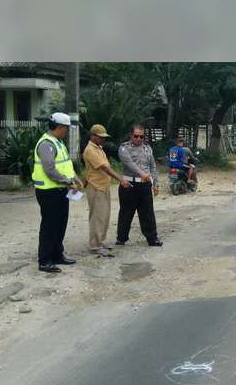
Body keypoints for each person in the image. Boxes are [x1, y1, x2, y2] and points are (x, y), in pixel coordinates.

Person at [31, 112, 84, 273]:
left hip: (61, 191)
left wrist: (76, 179)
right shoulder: (46, 144)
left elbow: (66, 166)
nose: (66, 131)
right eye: (65, 128)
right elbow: (50, 170)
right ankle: (45, 260)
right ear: (59, 127)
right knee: (49, 225)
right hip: (49, 192)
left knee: (60, 224)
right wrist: (68, 182)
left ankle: (57, 255)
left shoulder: (58, 143)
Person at [82, 124, 130, 257]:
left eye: (104, 137)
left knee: (104, 216)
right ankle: (95, 245)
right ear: (93, 136)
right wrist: (121, 179)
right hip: (96, 187)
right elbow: (105, 168)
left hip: (103, 186)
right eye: (100, 137)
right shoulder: (90, 150)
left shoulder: (98, 148)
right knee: (97, 217)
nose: (103, 139)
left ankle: (100, 241)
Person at [116, 125, 162, 247]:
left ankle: (152, 238)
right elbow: (129, 163)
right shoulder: (124, 148)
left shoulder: (147, 148)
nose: (139, 139)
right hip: (129, 185)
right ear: (131, 135)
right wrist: (142, 173)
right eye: (136, 136)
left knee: (147, 212)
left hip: (144, 185)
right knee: (126, 212)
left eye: (141, 136)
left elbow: (152, 166)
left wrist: (156, 183)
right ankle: (121, 238)